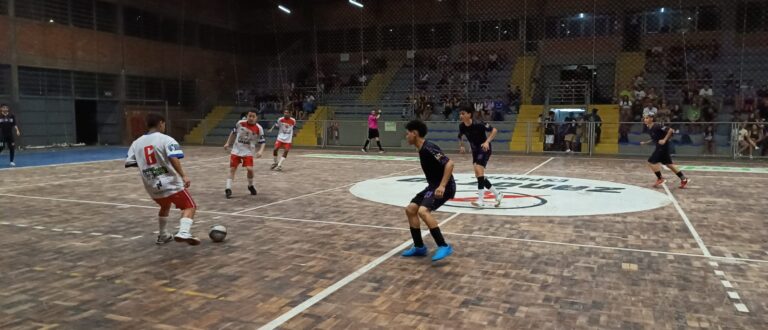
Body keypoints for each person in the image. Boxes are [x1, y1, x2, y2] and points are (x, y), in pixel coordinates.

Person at [125, 114, 200, 245]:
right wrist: (183, 175)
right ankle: (183, 232)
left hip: (151, 184)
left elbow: (130, 162)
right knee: (190, 206)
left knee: (165, 205)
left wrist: (149, 166)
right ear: (161, 123)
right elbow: (173, 157)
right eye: (164, 124)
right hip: (169, 182)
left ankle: (163, 235)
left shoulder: (136, 143)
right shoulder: (166, 139)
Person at [401, 120, 455, 262]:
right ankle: (419, 247)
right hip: (432, 186)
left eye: (407, 134)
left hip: (445, 186)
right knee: (411, 209)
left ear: (415, 133)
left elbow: (449, 163)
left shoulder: (428, 148)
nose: (406, 136)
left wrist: (442, 186)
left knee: (423, 211)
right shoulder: (421, 149)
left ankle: (444, 246)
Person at [457, 106, 504, 208]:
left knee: (479, 170)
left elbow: (494, 130)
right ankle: (497, 194)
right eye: (460, 114)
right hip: (475, 151)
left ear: (469, 114)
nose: (461, 115)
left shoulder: (479, 123)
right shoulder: (462, 126)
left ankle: (481, 200)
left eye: (463, 113)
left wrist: (487, 142)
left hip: (484, 148)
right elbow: (460, 136)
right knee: (479, 175)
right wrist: (461, 145)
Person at [223, 110, 266, 199]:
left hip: (248, 151)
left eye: (253, 116)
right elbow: (233, 133)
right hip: (236, 150)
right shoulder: (240, 123)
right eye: (249, 116)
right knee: (232, 169)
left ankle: (250, 185)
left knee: (250, 169)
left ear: (256, 118)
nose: (251, 118)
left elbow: (263, 142)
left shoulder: (259, 128)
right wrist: (228, 143)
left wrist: (261, 151)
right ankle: (228, 189)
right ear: (247, 116)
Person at [640, 113, 689, 189]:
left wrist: (664, 140)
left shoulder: (657, 126)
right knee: (669, 164)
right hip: (661, 147)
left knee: (651, 162)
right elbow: (655, 138)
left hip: (662, 147)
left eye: (647, 118)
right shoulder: (649, 128)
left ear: (651, 119)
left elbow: (670, 130)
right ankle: (684, 179)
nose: (645, 119)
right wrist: (646, 142)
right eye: (644, 118)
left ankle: (660, 179)